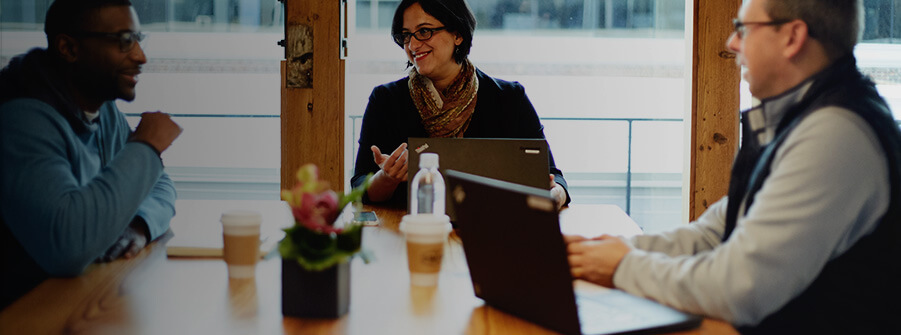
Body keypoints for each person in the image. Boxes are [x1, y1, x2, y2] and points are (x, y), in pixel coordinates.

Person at [567, 0, 900, 333]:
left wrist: (621, 265)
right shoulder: (797, 118)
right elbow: (716, 231)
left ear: (792, 37)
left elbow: (739, 288)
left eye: (744, 28)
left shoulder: (836, 134)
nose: (732, 43)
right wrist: (601, 251)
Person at [0, 0, 182, 308]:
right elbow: (67, 248)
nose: (140, 56)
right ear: (69, 48)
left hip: (71, 298)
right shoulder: (20, 119)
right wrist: (147, 146)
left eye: (138, 39)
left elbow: (160, 185)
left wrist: (137, 226)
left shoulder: (102, 108)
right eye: (124, 41)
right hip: (22, 312)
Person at [351, 0, 571, 209]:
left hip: (493, 232)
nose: (413, 45)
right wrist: (387, 178)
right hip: (407, 233)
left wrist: (554, 196)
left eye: (424, 31)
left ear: (457, 34)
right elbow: (360, 187)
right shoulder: (385, 100)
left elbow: (553, 177)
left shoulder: (509, 99)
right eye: (406, 35)